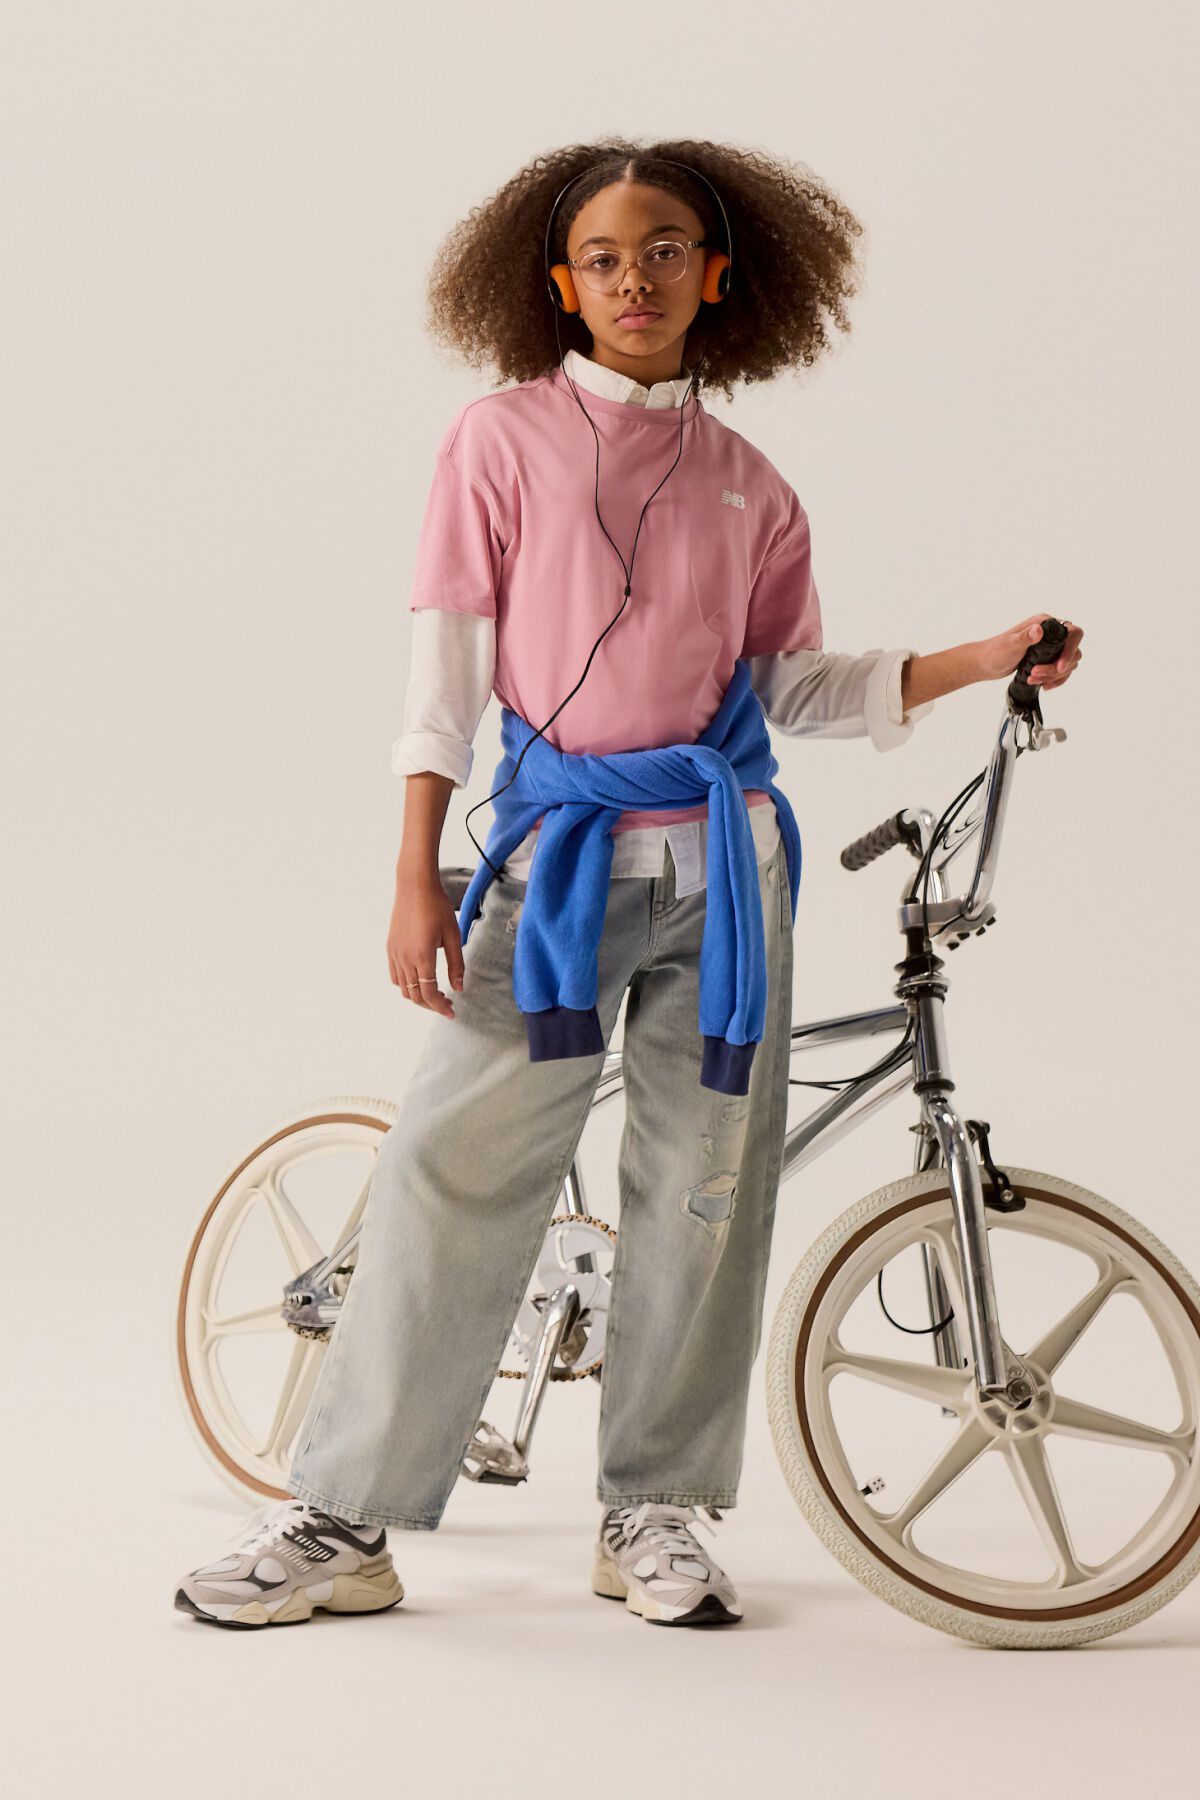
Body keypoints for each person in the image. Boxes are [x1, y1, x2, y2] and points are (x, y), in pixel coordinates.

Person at [175, 138, 1084, 1630]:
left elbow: (797, 686)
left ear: (719, 275)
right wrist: (415, 872)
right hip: (556, 865)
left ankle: (651, 1510)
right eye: (603, 257)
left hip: (728, 879)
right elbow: (445, 682)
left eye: (665, 250)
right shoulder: (498, 442)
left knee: (707, 1192)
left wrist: (988, 655)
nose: (635, 279)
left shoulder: (751, 484)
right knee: (452, 1171)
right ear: (557, 286)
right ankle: (344, 1518)